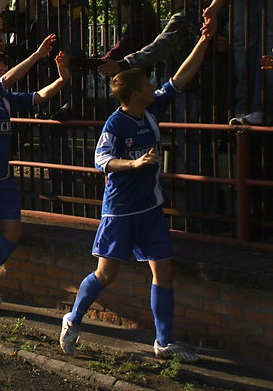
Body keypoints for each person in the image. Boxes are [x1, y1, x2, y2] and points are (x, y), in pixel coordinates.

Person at [59, 32, 212, 364]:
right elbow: (102, 161)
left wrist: (203, 41)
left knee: (163, 271)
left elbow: (180, 77)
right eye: (146, 83)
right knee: (105, 275)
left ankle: (164, 342)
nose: (152, 85)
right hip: (122, 212)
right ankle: (72, 319)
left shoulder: (152, 108)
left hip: (151, 208)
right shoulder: (116, 123)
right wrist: (134, 163)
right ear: (134, 93)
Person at [0, 36, 70, 313]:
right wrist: (35, 55)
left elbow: (40, 97)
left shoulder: (7, 99)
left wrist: (62, 77)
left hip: (2, 177)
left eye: (3, 71)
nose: (4, 76)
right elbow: (9, 78)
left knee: (13, 232)